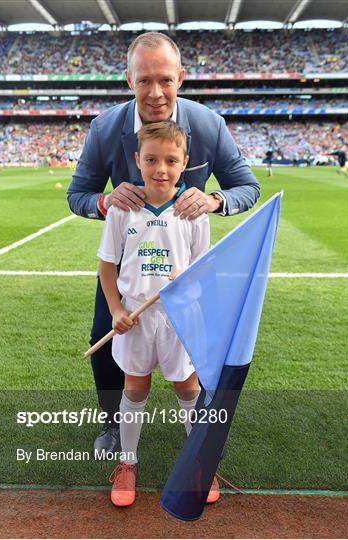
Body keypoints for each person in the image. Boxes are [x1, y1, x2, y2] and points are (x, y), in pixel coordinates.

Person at [67, 31, 260, 457]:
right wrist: (105, 199)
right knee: (104, 336)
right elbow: (76, 195)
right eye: (144, 80)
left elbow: (248, 187)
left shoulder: (208, 125)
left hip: (183, 265)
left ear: (181, 78)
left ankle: (201, 431)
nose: (155, 92)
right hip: (129, 266)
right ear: (128, 79)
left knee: (199, 347)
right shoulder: (104, 128)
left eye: (165, 80)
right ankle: (113, 425)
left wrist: (214, 199)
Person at [98, 120, 219, 507]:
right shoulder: (122, 210)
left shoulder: (194, 214)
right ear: (138, 160)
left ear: (185, 163)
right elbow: (106, 266)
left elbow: (204, 274)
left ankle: (200, 462)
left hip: (179, 318)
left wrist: (189, 281)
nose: (161, 169)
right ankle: (127, 461)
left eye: (171, 160)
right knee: (135, 388)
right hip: (136, 317)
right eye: (151, 159)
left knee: (187, 387)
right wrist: (116, 309)